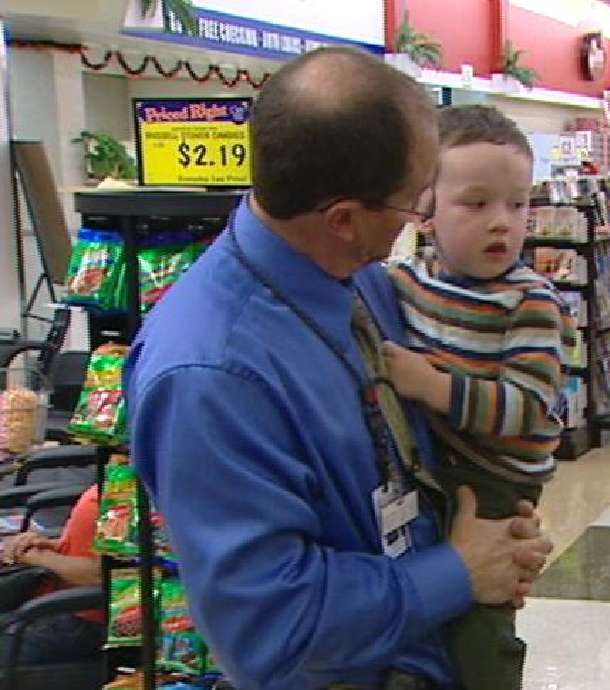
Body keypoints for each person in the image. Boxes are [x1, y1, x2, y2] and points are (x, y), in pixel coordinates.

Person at [124, 47, 552, 690]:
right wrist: (455, 573)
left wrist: (495, 534)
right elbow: (269, 627)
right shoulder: (209, 376)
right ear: (345, 219)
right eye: (415, 204)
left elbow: (407, 452)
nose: (423, 221)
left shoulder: (362, 284)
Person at [381, 105, 577, 690]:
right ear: (424, 210)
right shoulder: (407, 281)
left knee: (479, 622)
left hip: (495, 478)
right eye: (477, 203)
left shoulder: (531, 301)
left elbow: (528, 405)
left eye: (517, 205)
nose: (502, 223)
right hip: (433, 467)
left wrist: (430, 385)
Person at [0, 484, 102, 664]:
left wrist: (42, 558)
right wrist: (56, 545)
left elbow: (105, 576)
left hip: (82, 620)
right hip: (55, 599)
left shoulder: (130, 494)